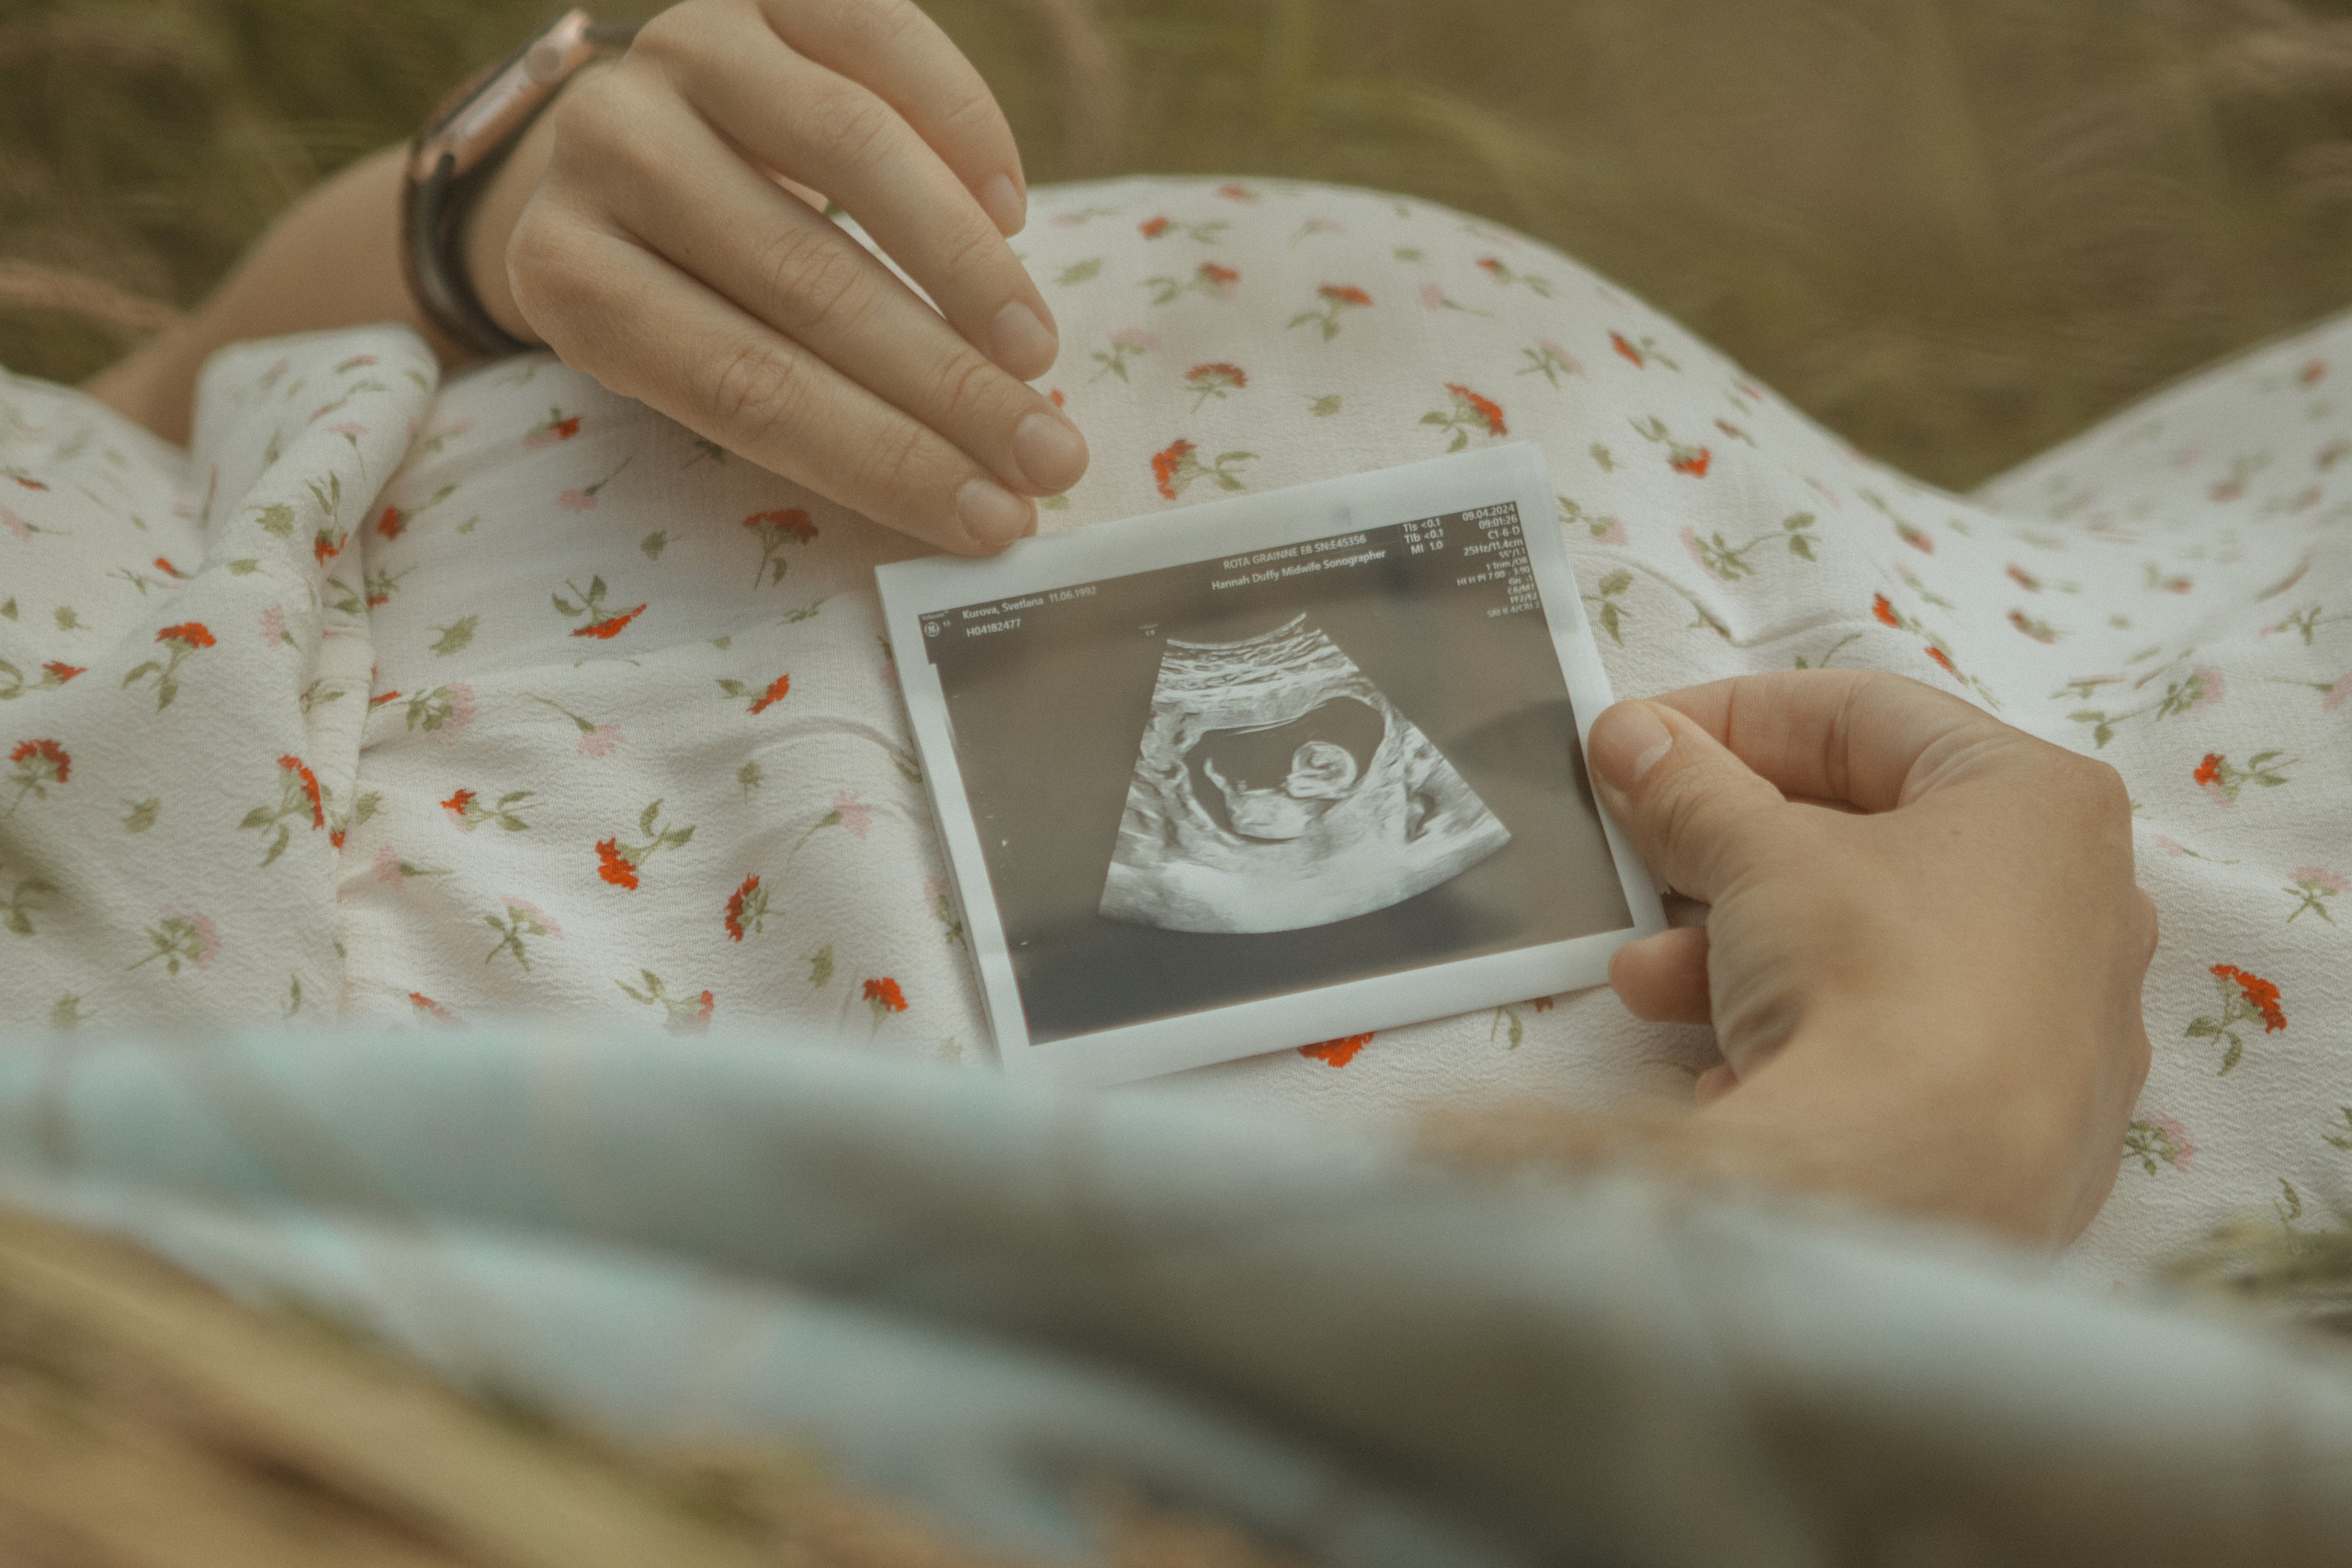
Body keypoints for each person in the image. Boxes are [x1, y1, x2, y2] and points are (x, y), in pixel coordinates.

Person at [13, 0, 2222, 1257]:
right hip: (2113, 1083)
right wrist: (1902, 1165)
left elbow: (137, 443)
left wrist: (491, 200)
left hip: (2121, 566)